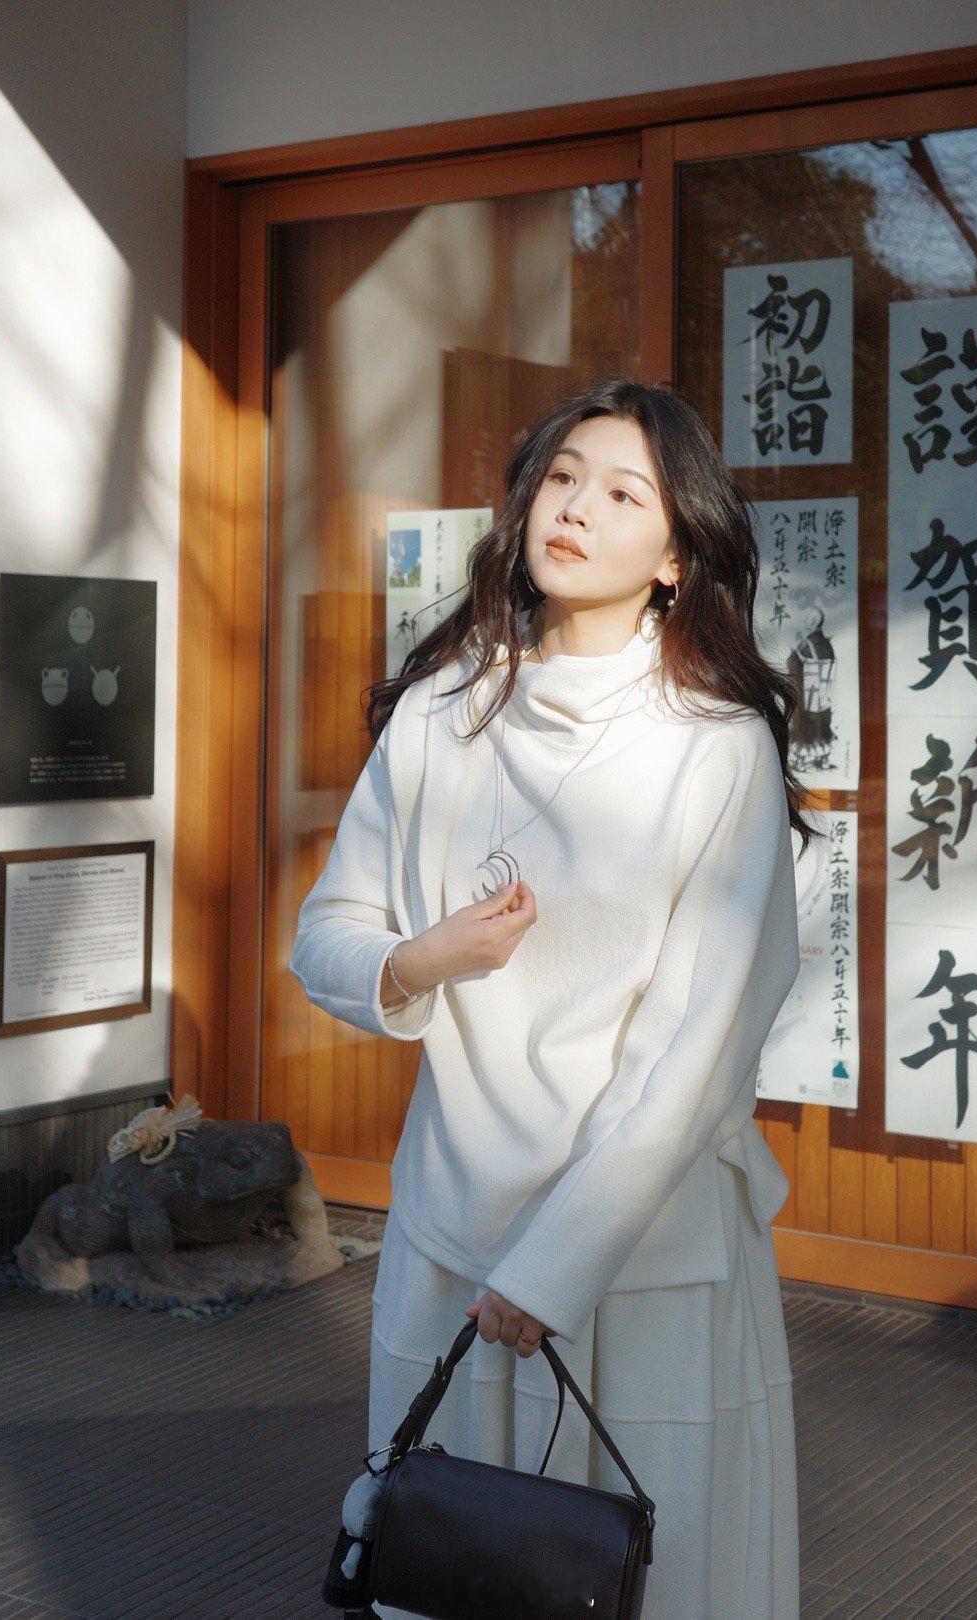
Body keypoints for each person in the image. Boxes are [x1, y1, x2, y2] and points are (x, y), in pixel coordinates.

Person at [289, 378, 819, 1618]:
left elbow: (702, 1044)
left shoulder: (713, 741)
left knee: (650, 1571)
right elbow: (325, 937)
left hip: (644, 1244)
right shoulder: (442, 711)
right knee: (449, 1560)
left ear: (678, 556)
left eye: (624, 493)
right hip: (450, 1222)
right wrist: (424, 958)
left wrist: (556, 1263)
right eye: (564, 478)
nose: (576, 509)